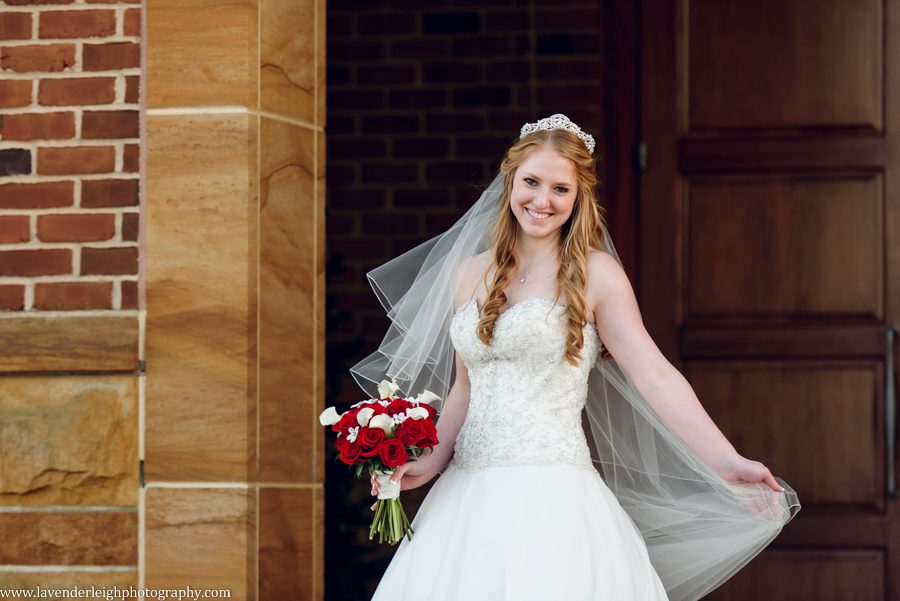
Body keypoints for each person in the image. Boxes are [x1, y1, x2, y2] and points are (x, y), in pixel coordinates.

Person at [352, 114, 800, 601]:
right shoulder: (469, 274)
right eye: (531, 182)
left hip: (554, 495)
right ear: (509, 181)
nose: (542, 201)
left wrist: (726, 460)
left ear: (578, 196)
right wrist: (429, 461)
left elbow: (654, 375)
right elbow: (466, 387)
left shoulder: (595, 274)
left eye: (560, 189)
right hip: (465, 496)